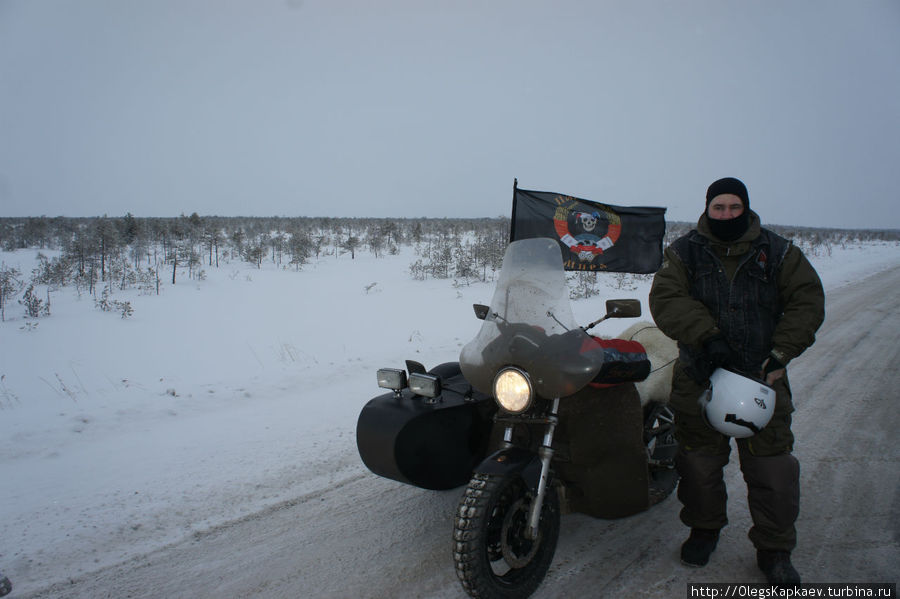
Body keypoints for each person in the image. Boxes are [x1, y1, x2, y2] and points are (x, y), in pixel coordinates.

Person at [648, 177, 825, 585]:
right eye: (719, 207)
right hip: (701, 375)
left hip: (761, 378)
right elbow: (667, 299)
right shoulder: (684, 252)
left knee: (773, 471)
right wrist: (707, 338)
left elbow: (807, 302)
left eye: (733, 206)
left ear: (744, 208)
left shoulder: (778, 253)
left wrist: (781, 354)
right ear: (707, 209)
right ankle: (704, 529)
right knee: (698, 464)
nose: (726, 213)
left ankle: (775, 548)